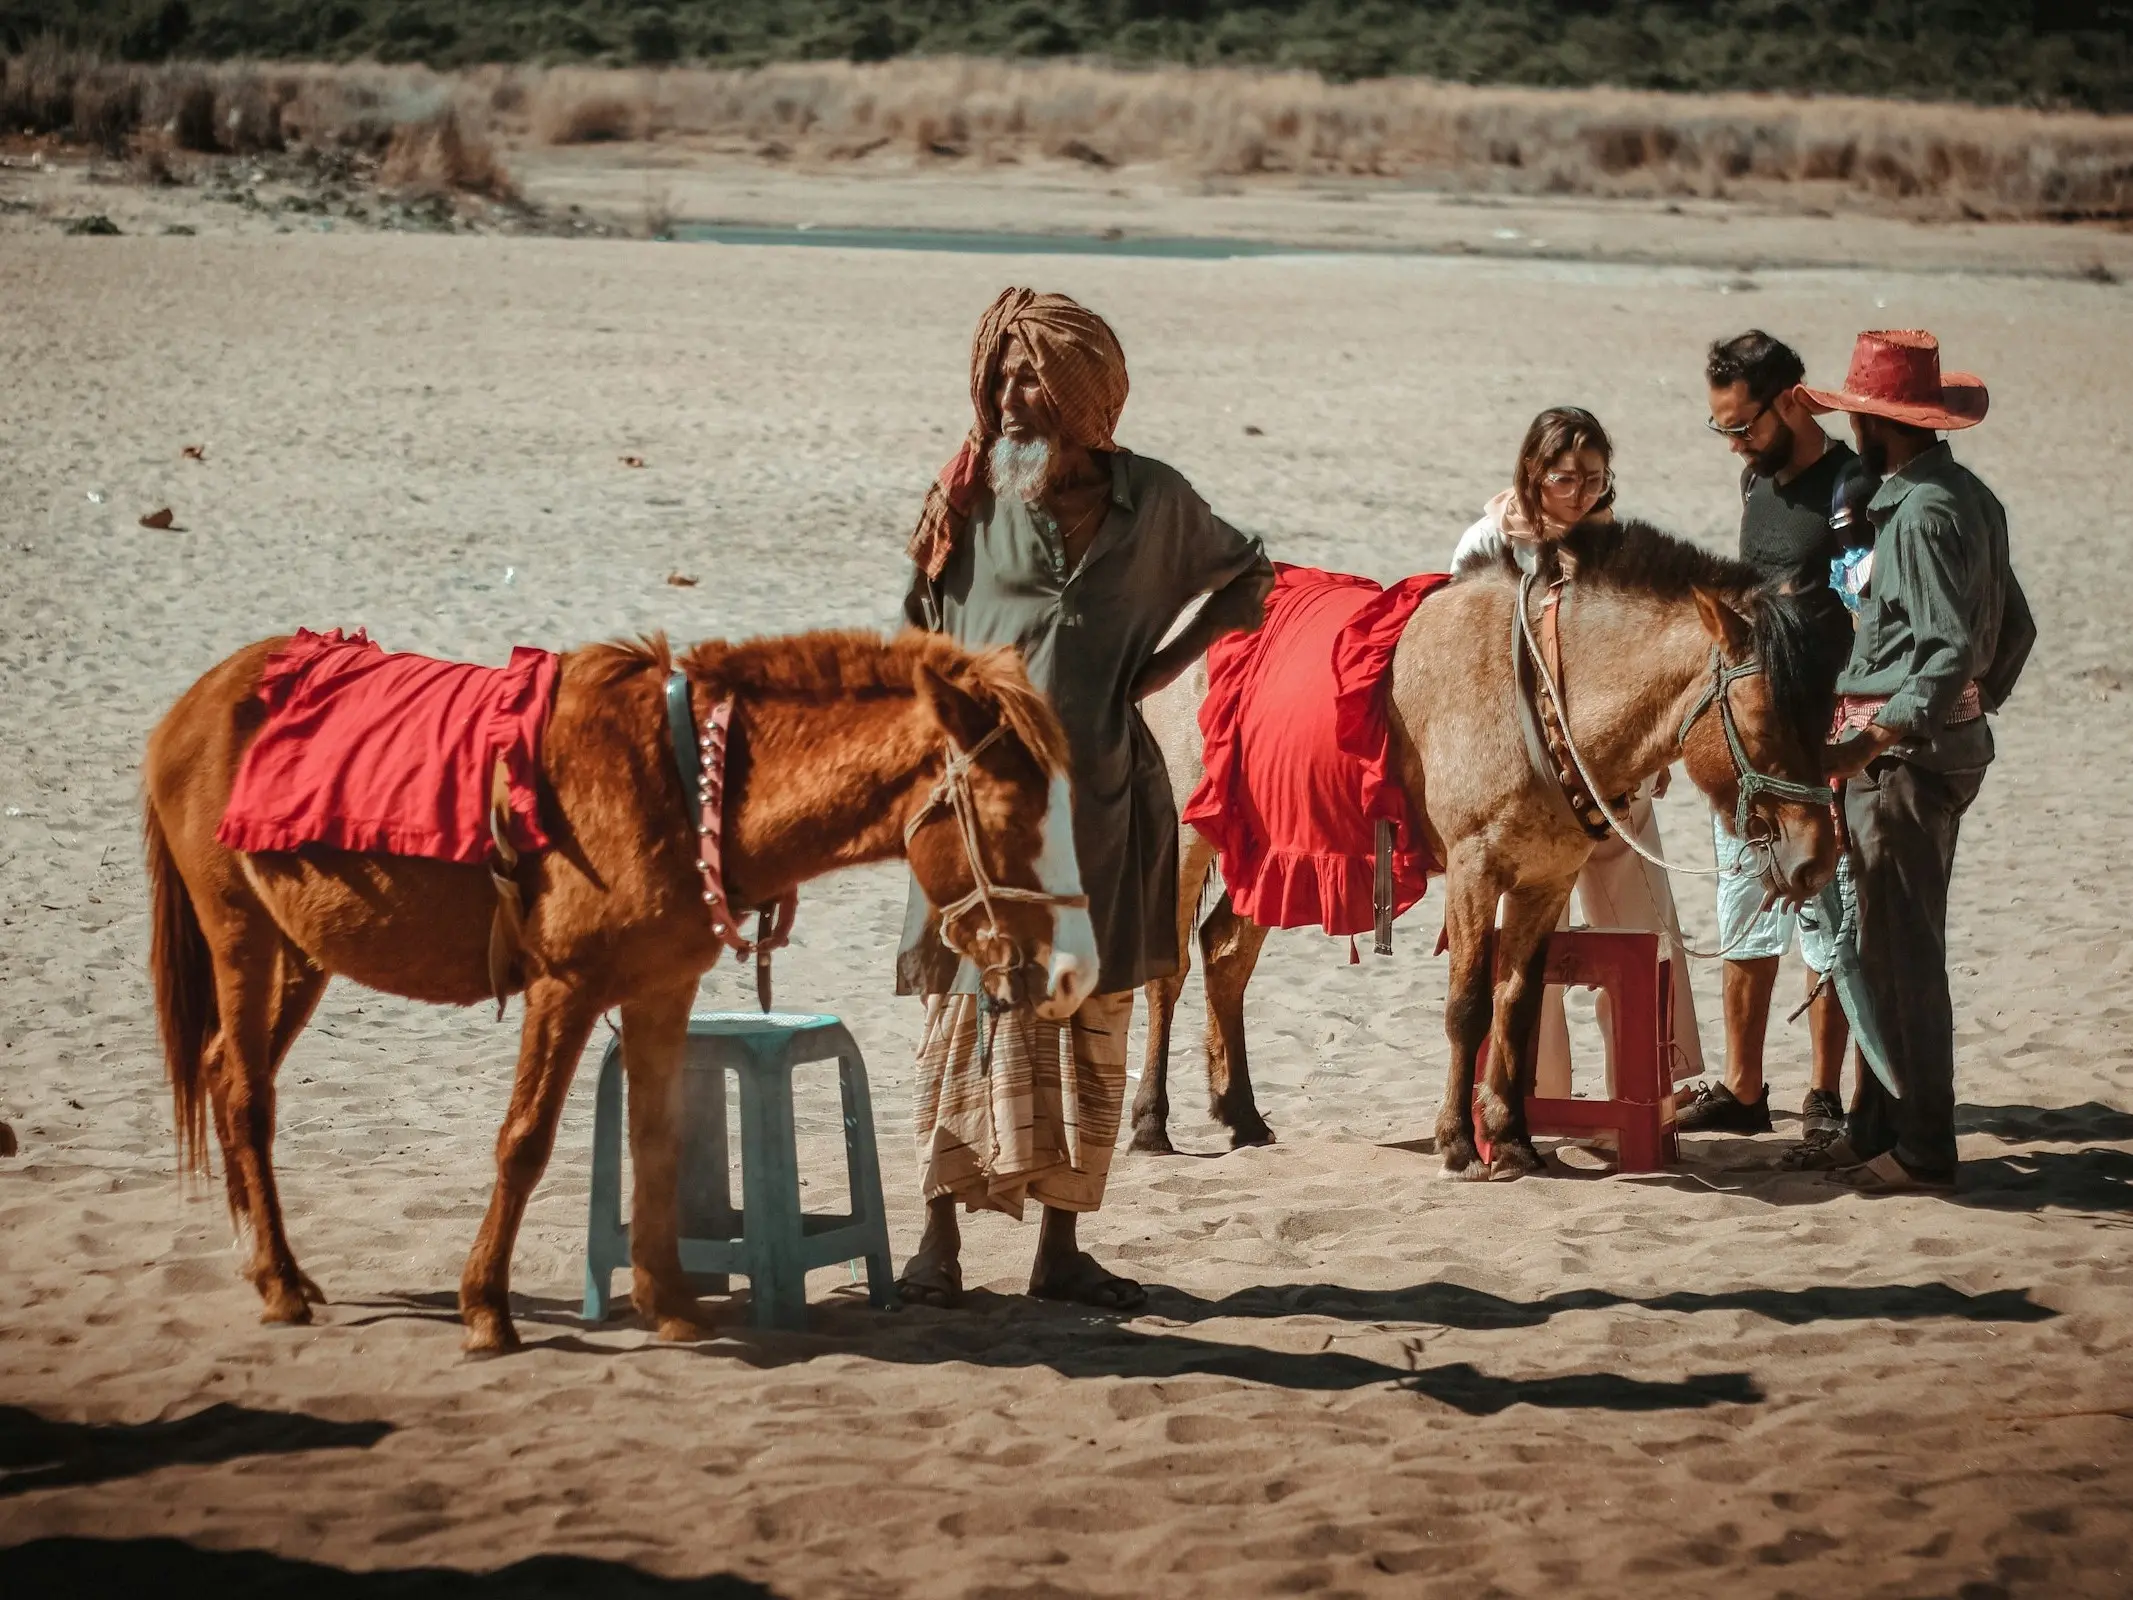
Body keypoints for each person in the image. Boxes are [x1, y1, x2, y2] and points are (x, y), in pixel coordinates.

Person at [896, 287, 1274, 1305]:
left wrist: (1155, 667)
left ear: (1088, 401)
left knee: (1090, 1020)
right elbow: (917, 624)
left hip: (1106, 802)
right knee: (962, 1017)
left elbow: (1249, 577)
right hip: (979, 814)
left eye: (1038, 381)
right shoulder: (973, 497)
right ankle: (937, 1247)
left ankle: (1061, 1250)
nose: (1015, 399)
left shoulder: (1156, 504)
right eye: (1005, 378)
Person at [1799, 329, 2034, 1193]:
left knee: (1901, 954)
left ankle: (1924, 1147)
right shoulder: (1965, 497)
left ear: (1879, 424)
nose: (1853, 429)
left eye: (1859, 414)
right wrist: (1967, 714)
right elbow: (2013, 630)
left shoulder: (1921, 513)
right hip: (1939, 748)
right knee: (1883, 940)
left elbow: (1940, 651)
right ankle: (1875, 1122)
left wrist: (1878, 735)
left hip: (1903, 760)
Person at [1452, 407, 1706, 1097]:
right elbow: (1465, 663)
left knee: (1643, 925)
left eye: (1595, 479)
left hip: (1611, 776)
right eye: (1566, 478)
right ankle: (1532, 1094)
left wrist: (1653, 759)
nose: (1582, 493)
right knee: (1523, 939)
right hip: (1520, 783)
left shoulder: (1620, 552)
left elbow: (1646, 666)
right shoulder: (1484, 542)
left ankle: (1649, 1085)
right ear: (1532, 473)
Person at [1673, 331, 1857, 1159]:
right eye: (1720, 428)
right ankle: (1745, 1090)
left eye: (1741, 423)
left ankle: (1824, 1098)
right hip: (1751, 742)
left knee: (1826, 913)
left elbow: (1867, 611)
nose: (1734, 443)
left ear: (1790, 399)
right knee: (1743, 912)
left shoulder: (1852, 490)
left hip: (1820, 740)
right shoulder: (1755, 481)